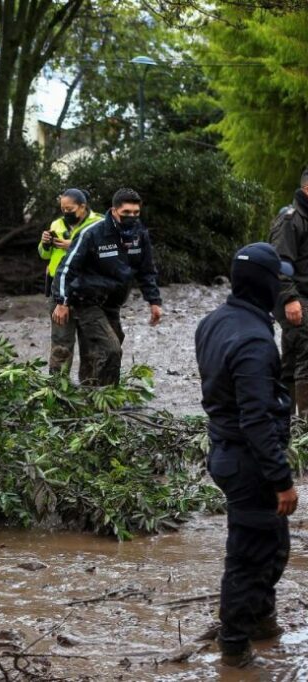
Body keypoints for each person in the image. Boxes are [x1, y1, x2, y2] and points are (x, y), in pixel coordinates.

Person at [194, 242, 299, 668]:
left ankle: (261, 622)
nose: (282, 287)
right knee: (249, 554)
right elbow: (256, 420)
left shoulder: (213, 322)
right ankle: (235, 651)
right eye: (278, 279)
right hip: (249, 461)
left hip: (225, 450)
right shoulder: (256, 342)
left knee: (272, 546)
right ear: (264, 285)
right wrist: (282, 480)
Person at [52, 187, 163, 386]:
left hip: (112, 303)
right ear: (114, 211)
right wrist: (61, 302)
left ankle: (96, 392)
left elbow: (146, 270)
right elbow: (66, 269)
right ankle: (102, 394)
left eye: (136, 213)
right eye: (126, 213)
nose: (132, 217)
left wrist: (154, 301)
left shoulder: (139, 235)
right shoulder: (92, 234)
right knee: (111, 348)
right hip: (85, 300)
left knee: (108, 344)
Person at [38, 189, 103, 375]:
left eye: (70, 208)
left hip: (87, 289)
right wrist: (44, 243)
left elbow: (106, 254)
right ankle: (57, 387)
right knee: (60, 341)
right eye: (62, 209)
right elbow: (44, 255)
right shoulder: (57, 224)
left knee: (90, 342)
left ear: (82, 207)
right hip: (58, 289)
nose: (66, 213)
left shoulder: (99, 223)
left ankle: (90, 387)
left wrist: (75, 245)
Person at [268, 168, 308, 414]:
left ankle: (284, 420)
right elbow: (278, 266)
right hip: (292, 297)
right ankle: (304, 424)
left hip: (302, 297)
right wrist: (290, 299)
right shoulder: (290, 220)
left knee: (292, 361)